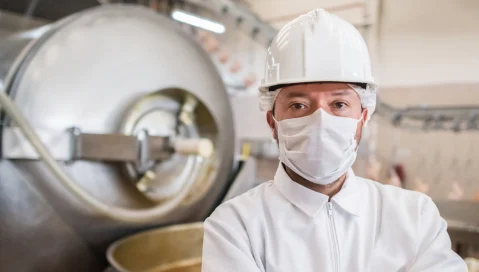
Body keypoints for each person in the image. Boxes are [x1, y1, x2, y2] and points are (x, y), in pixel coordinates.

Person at [201, 9, 467, 272]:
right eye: (298, 105)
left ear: (363, 118)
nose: (320, 121)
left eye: (339, 104)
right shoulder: (235, 227)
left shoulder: (414, 217)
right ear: (273, 123)